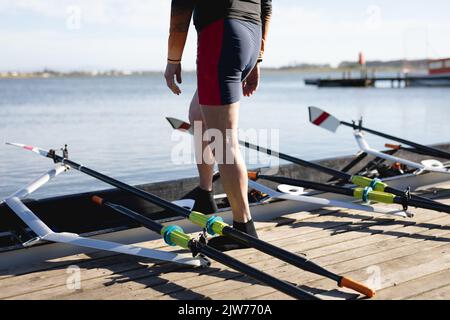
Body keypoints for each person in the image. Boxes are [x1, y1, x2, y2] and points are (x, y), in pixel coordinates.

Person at [164, 0, 272, 251]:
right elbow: (266, 6)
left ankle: (244, 226)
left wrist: (173, 58)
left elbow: (181, 7)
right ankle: (205, 193)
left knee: (222, 141)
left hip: (220, 35)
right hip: (250, 35)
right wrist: (257, 58)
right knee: (198, 116)